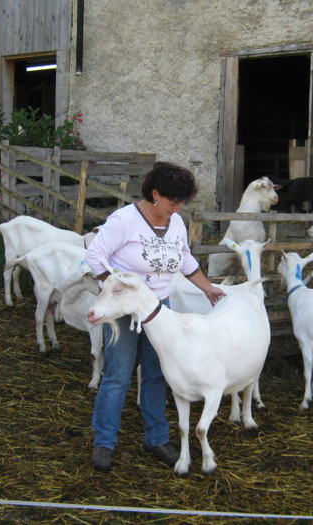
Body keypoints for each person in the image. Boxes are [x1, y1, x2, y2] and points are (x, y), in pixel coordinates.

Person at [84, 161, 226, 472]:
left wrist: (207, 288)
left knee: (157, 374)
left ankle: (157, 438)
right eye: (172, 203)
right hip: (125, 311)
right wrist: (113, 288)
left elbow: (185, 258)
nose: (177, 209)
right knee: (117, 375)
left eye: (182, 204)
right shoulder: (125, 220)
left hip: (161, 310)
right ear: (155, 194)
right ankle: (104, 443)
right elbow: (94, 254)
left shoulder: (174, 223)